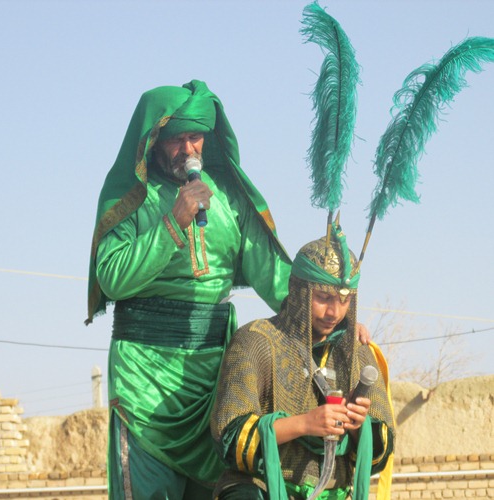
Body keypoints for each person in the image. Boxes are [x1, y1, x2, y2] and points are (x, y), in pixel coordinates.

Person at [85, 80, 293, 499]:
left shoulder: (229, 196)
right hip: (144, 382)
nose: (187, 149)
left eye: (195, 137)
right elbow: (112, 277)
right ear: (153, 141)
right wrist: (172, 222)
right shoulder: (130, 195)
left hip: (216, 381)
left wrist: (336, 318)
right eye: (176, 140)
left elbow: (275, 277)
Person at [211, 223, 395, 500]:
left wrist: (359, 427)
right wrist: (304, 424)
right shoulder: (256, 340)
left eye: (344, 300)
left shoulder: (358, 353)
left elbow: (380, 454)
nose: (334, 312)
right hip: (260, 489)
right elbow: (230, 439)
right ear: (298, 290)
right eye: (323, 298)